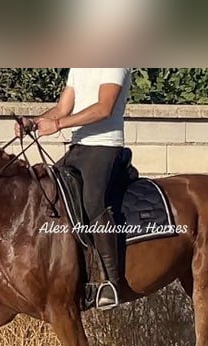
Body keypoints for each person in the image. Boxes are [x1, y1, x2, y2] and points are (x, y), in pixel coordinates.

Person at [15, 68, 132, 310]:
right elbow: (62, 108)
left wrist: (58, 125)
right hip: (78, 146)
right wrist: (34, 123)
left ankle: (110, 282)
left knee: (92, 202)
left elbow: (104, 108)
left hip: (105, 146)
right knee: (47, 195)